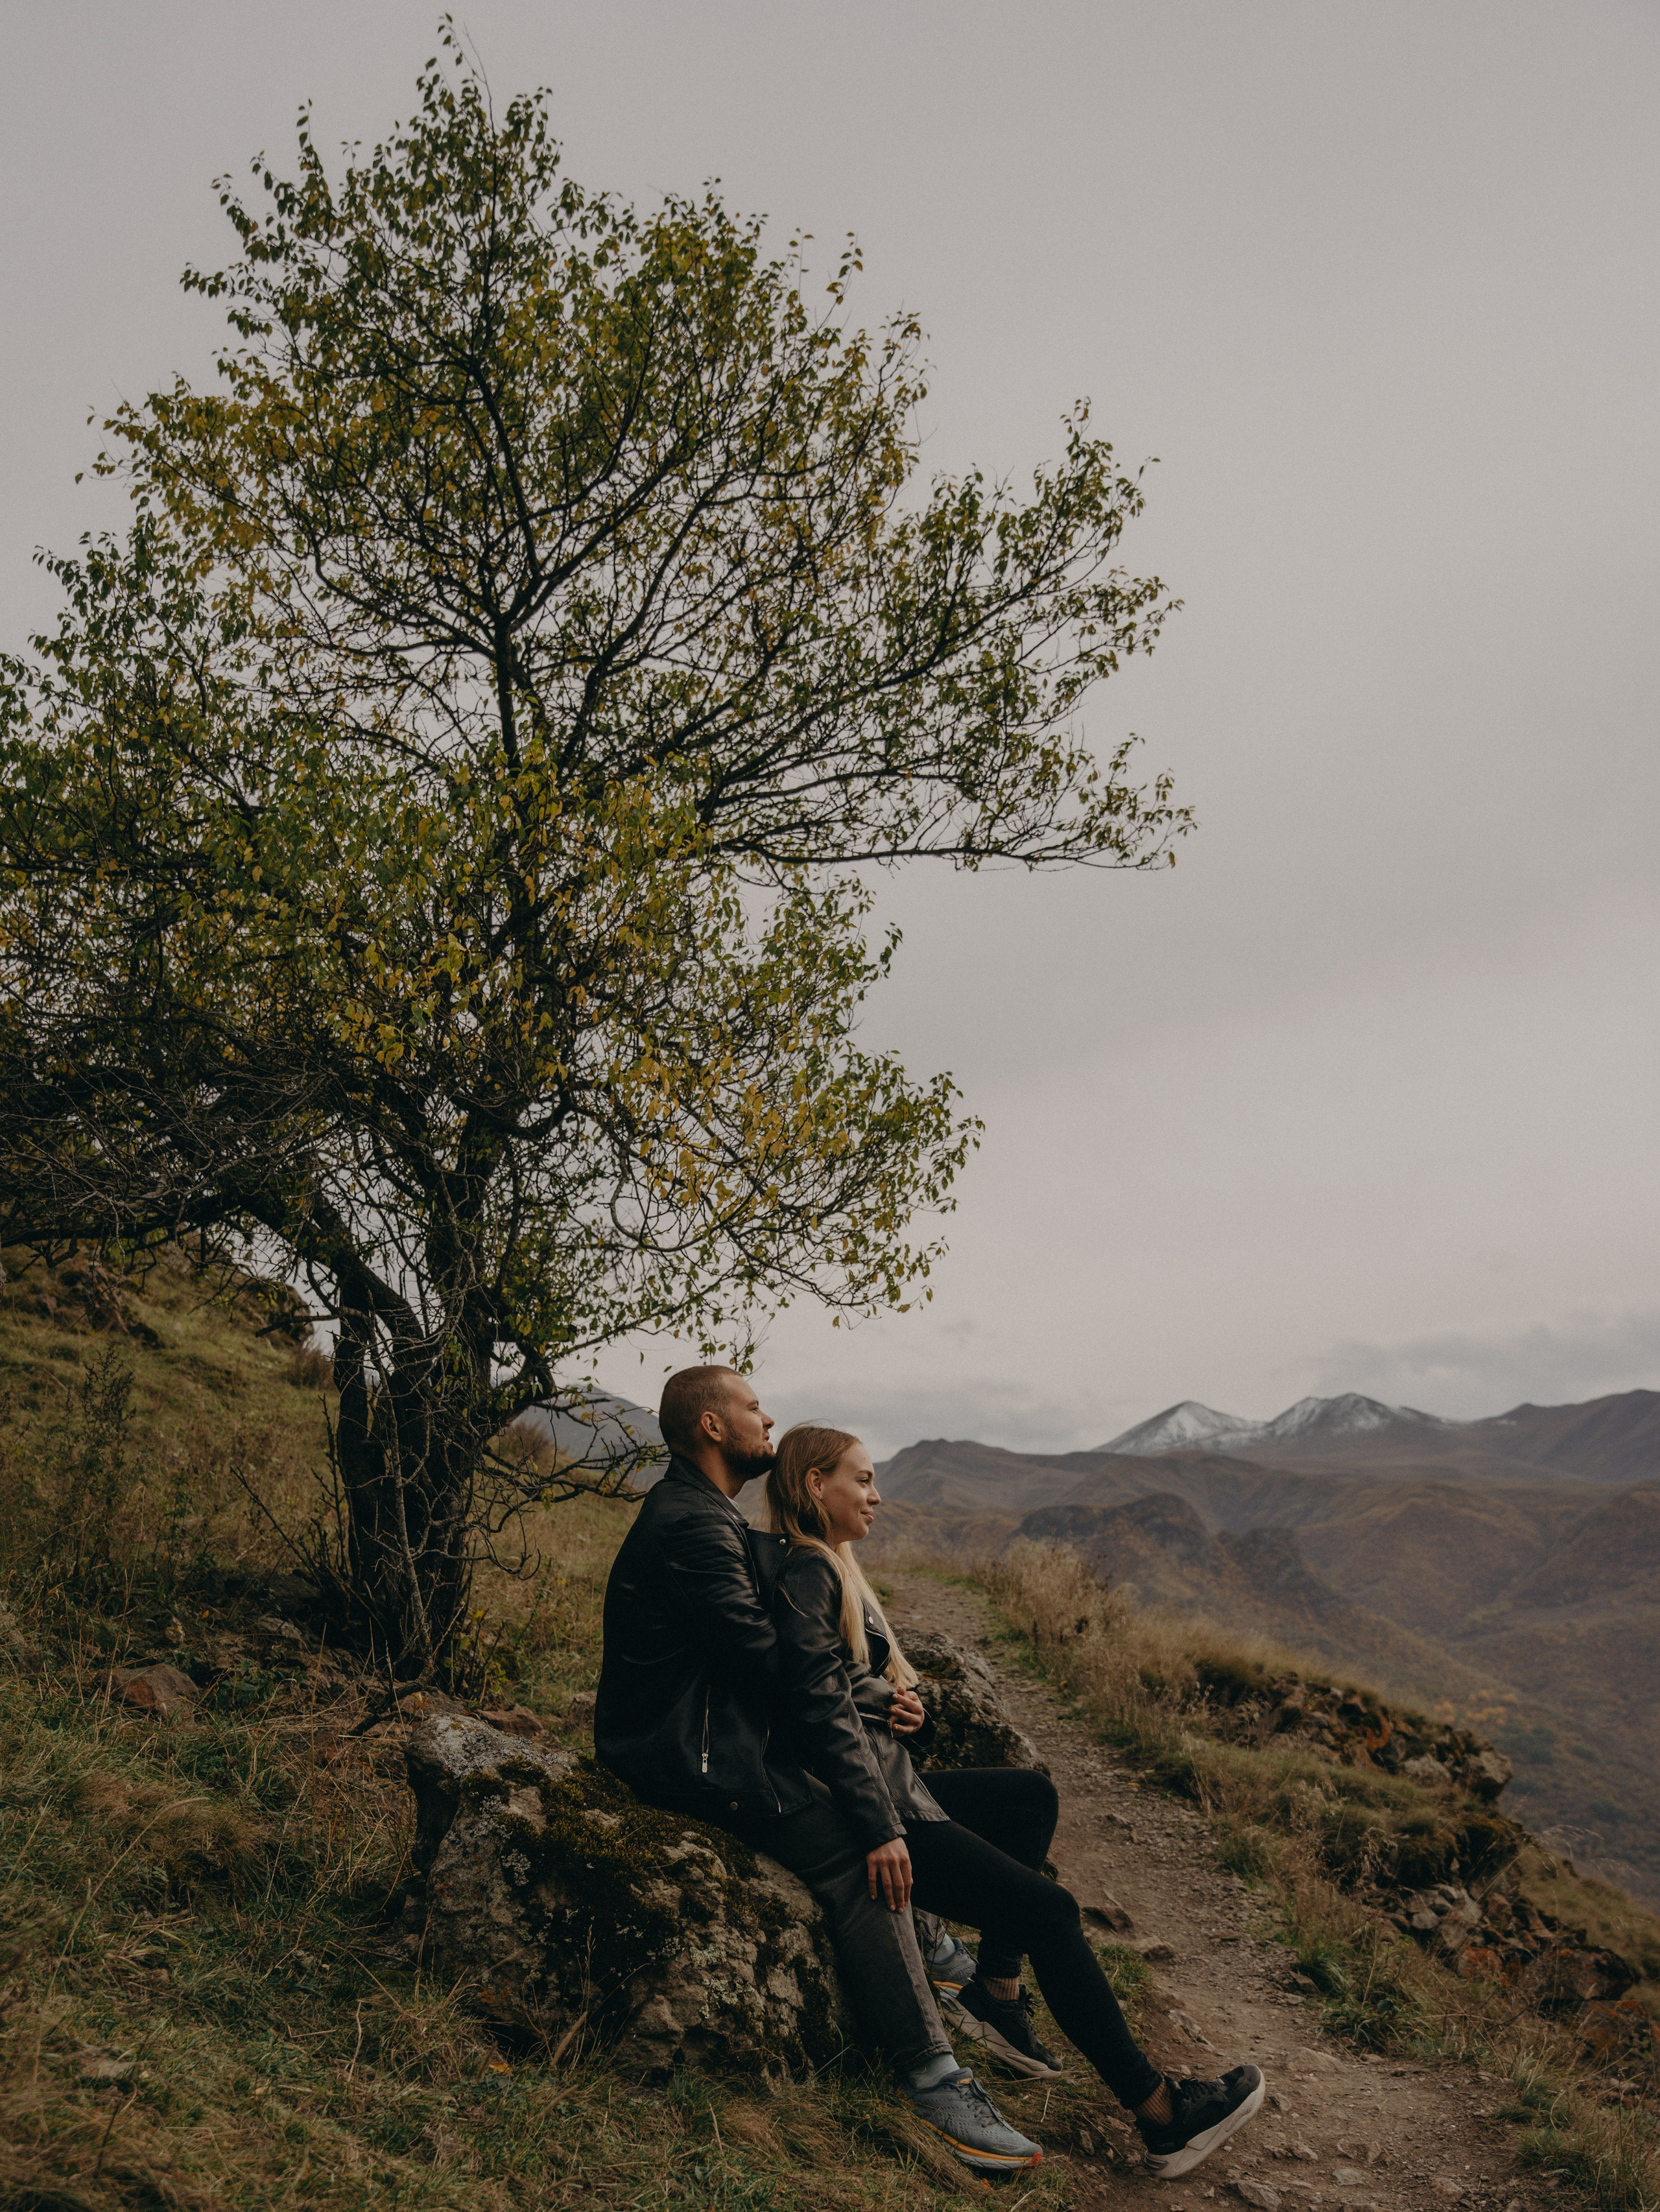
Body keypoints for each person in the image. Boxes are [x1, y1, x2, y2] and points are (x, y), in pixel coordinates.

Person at [761, 1420, 1267, 2180]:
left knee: (1028, 1797)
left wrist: (898, 1707)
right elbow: (807, 1706)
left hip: (892, 1788)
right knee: (1051, 1913)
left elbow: (836, 1691)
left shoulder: (832, 1565)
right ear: (813, 1485)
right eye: (861, 1480)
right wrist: (877, 1825)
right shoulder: (809, 1572)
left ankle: (998, 1991)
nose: (876, 1494)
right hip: (875, 1812)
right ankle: (1161, 2113)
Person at [594, 1365, 1042, 2178]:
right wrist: (872, 1694)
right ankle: (932, 2075)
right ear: (712, 1428)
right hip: (677, 1754)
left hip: (707, 1733)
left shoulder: (704, 1512)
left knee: (854, 1785)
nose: (769, 1419)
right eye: (753, 1408)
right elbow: (769, 1665)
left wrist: (866, 1696)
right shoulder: (692, 1524)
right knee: (854, 1854)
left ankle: (929, 1946)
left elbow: (779, 1669)